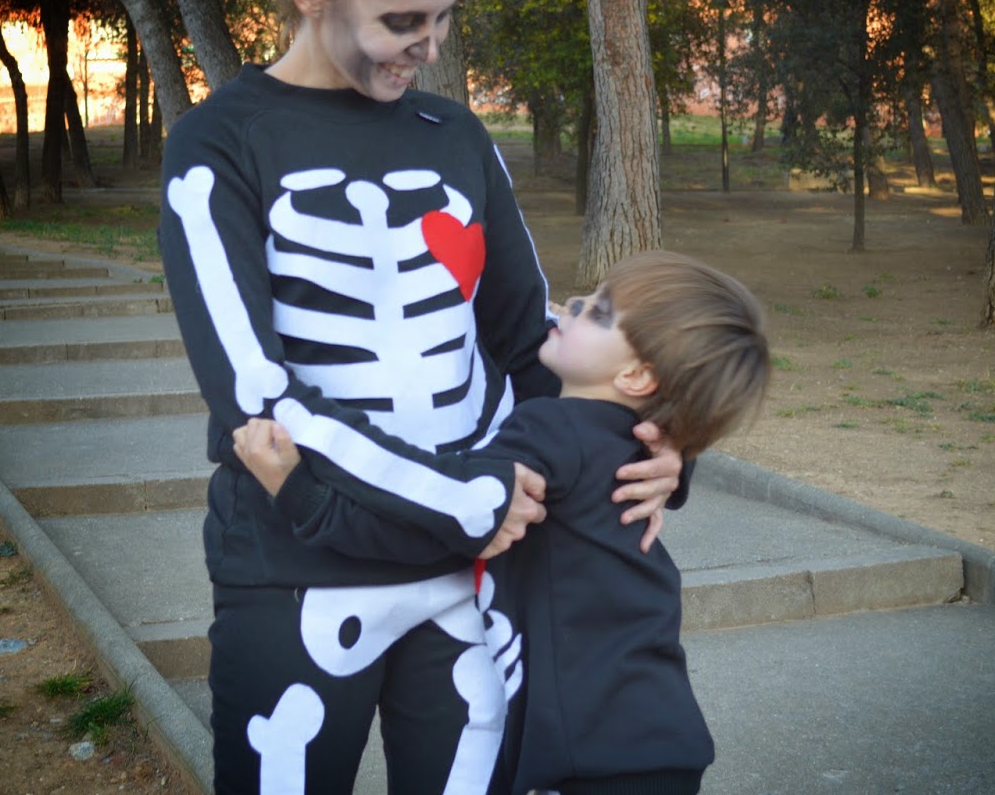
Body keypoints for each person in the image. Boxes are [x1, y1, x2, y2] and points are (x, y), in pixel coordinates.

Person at [158, 0, 686, 794]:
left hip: (474, 579)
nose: (430, 46)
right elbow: (258, 399)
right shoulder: (218, 147)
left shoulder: (457, 139)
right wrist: (464, 494)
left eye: (444, 16)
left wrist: (650, 449)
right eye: (402, 20)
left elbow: (531, 347)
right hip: (298, 571)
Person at [234, 251, 771, 795]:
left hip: (593, 758)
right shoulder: (634, 447)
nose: (573, 303)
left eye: (599, 312)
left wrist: (302, 494)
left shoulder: (547, 431)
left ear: (635, 376)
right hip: (659, 738)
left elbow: (432, 521)